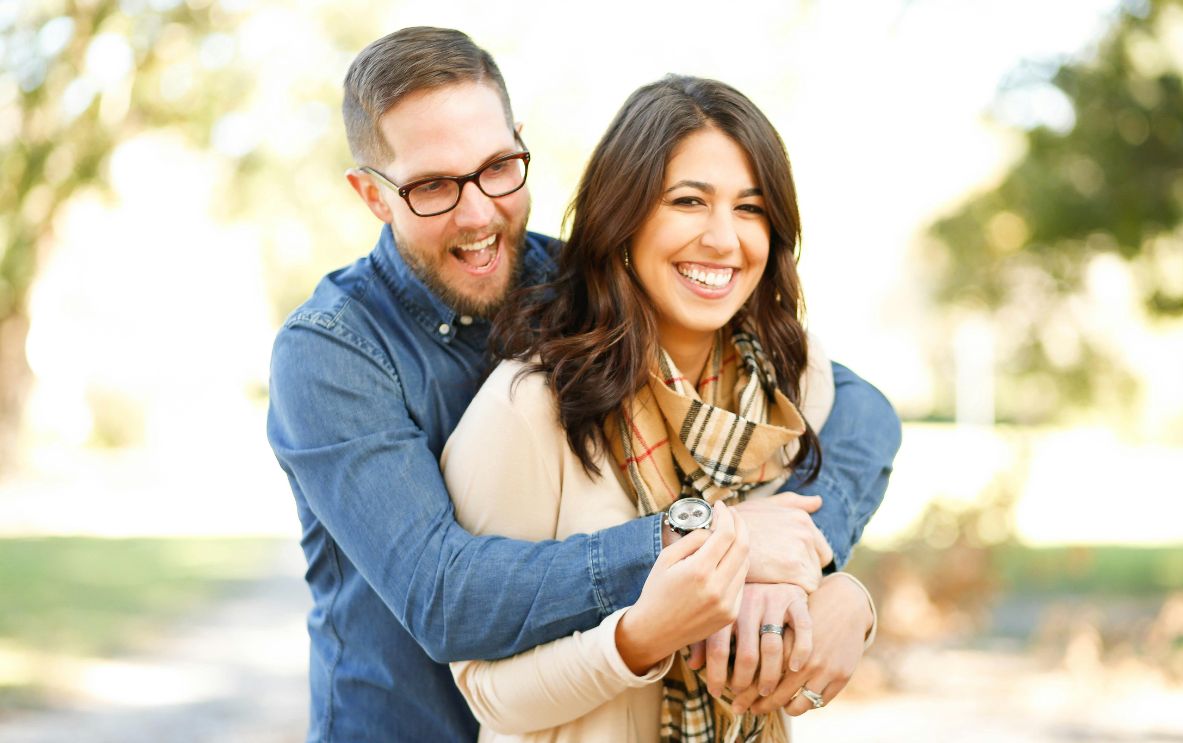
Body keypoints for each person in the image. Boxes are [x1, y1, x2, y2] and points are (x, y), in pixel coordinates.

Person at [266, 27, 901, 742]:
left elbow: (861, 410)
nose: (479, 214)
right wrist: (704, 541)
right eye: (432, 186)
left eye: (498, 167)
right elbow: (444, 594)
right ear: (372, 196)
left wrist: (809, 563)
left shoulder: (580, 286)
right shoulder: (333, 352)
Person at [440, 74, 875, 743]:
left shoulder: (792, 377)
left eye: (750, 208)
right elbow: (488, 692)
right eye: (688, 201)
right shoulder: (530, 408)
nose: (723, 239)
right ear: (624, 215)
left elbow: (796, 553)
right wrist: (640, 637)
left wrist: (847, 598)